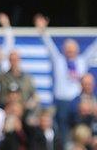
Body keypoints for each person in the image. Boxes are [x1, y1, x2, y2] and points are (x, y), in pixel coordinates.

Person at [37, 13, 97, 144]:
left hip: (78, 102)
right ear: (64, 50)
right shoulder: (58, 60)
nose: (70, 51)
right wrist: (42, 30)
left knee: (81, 130)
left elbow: (93, 48)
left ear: (77, 50)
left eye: (72, 49)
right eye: (68, 49)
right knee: (63, 131)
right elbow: (49, 46)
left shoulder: (82, 61)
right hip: (62, 101)